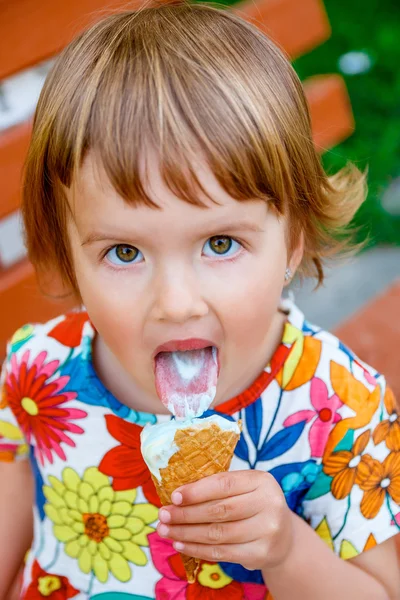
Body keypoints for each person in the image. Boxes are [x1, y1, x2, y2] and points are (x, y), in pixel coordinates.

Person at [0, 3, 399, 598]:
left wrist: (286, 550)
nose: (176, 303)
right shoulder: (38, 372)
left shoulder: (337, 408)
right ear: (69, 255)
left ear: (291, 242)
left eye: (219, 243)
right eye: (125, 253)